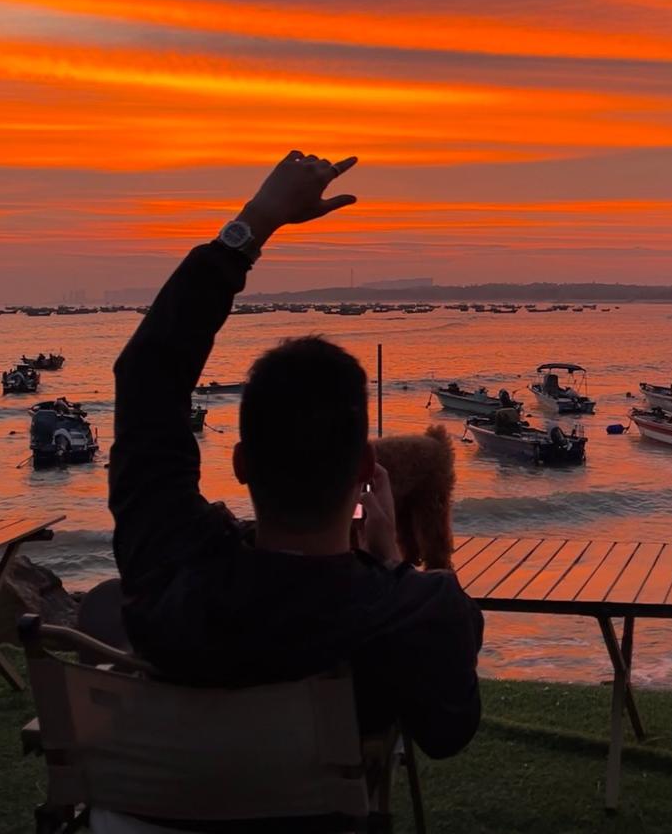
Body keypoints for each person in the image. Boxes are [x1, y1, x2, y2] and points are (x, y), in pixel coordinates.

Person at [107, 151, 483, 827]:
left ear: (241, 463)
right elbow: (448, 732)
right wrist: (391, 560)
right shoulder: (413, 611)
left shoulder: (168, 565)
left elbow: (147, 375)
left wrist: (254, 224)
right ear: (367, 469)